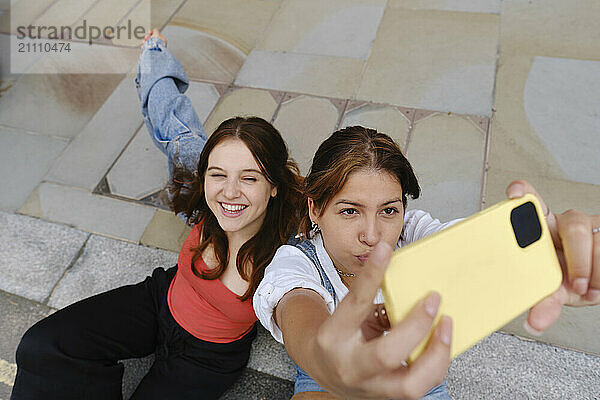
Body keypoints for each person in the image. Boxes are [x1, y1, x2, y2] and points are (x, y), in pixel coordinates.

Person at [10, 31, 302, 399]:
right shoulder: (202, 191)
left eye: (249, 178)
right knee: (41, 346)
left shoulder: (290, 250)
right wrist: (154, 55)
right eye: (218, 175)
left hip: (206, 357)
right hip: (159, 301)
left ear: (274, 185)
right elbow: (172, 123)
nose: (229, 192)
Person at [253, 126, 600, 400]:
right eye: (349, 211)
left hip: (420, 379)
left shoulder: (413, 233)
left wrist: (555, 255)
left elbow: (463, 243)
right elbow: (303, 321)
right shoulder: (296, 263)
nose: (372, 235)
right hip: (325, 383)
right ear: (315, 209)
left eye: (388, 210)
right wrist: (327, 361)